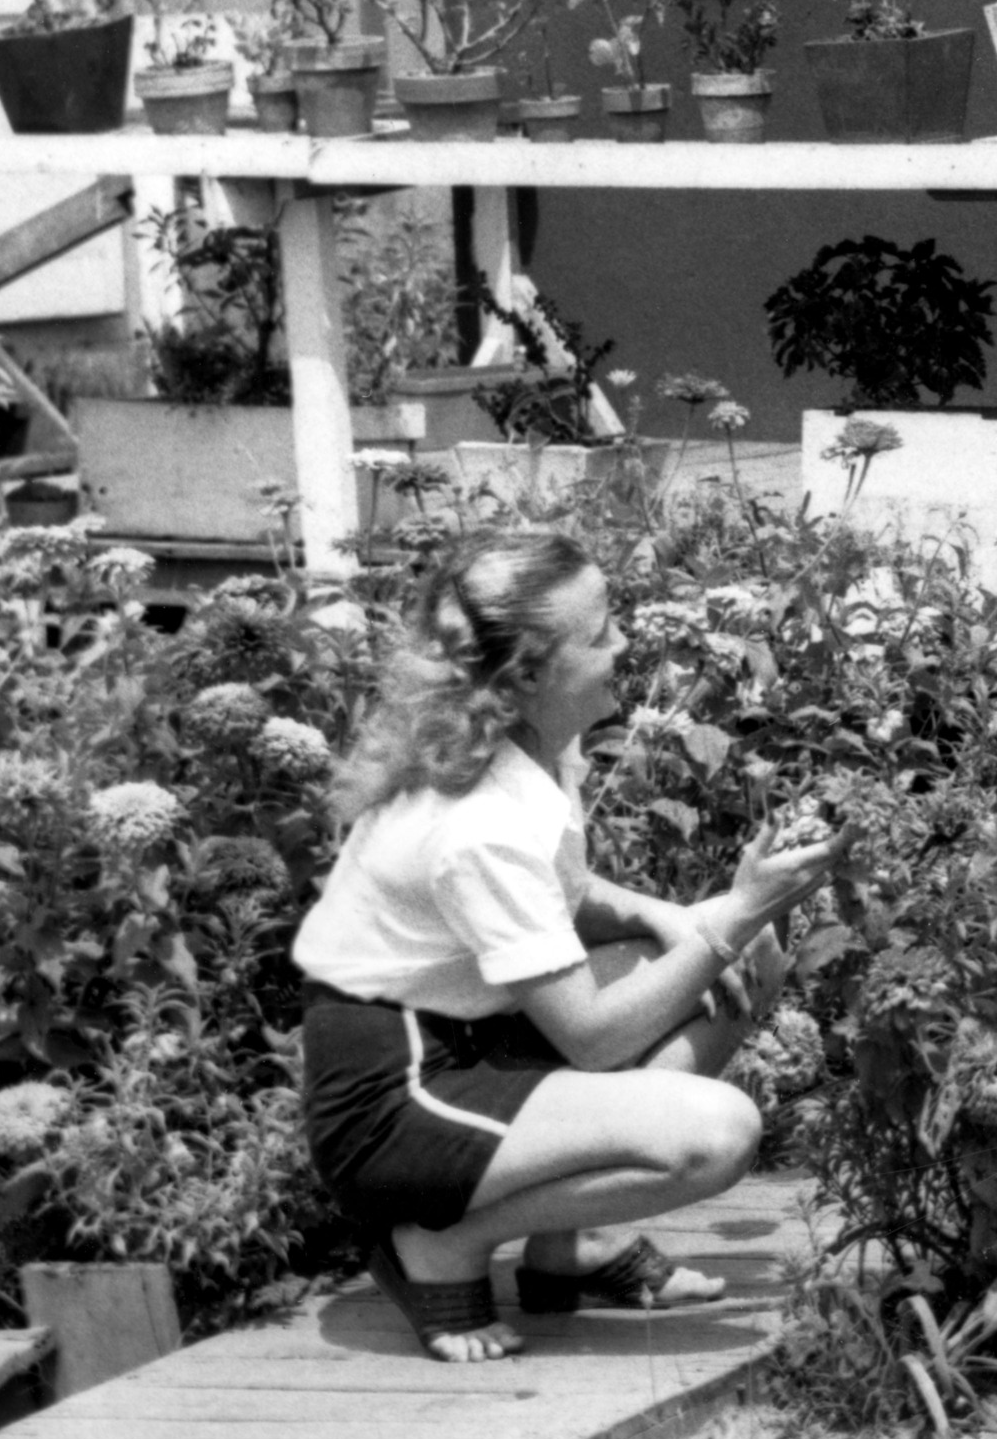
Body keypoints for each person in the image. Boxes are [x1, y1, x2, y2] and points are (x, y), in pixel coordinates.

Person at [292, 528, 835, 1363]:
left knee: (737, 950)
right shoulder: (477, 818)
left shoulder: (530, 746)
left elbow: (560, 896)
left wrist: (673, 917)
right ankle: (442, 1241)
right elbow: (591, 1034)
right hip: (394, 1094)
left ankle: (569, 1245)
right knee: (717, 1131)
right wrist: (726, 917)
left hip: (476, 1034)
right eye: (602, 629)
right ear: (531, 673)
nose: (625, 642)